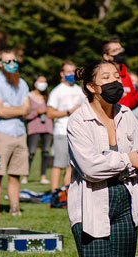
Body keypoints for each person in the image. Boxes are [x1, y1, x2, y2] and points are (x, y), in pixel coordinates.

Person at [68, 59, 138, 257]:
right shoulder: (78, 121)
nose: (114, 81)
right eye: (106, 77)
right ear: (91, 87)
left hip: (125, 198)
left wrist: (116, 161)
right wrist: (126, 160)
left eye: (117, 76)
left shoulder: (127, 114)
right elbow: (91, 169)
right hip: (91, 202)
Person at [0, 48, 31, 218]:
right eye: (8, 61)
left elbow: (27, 109)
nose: (12, 64)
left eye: (14, 61)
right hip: (2, 132)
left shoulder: (22, 83)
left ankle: (15, 208)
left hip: (20, 132)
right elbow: (0, 111)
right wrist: (18, 109)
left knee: (16, 174)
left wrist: (10, 108)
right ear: (0, 64)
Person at [47, 61, 84, 191]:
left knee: (71, 165)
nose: (71, 74)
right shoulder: (57, 91)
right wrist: (68, 112)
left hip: (77, 132)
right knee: (59, 164)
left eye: (73, 71)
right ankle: (54, 193)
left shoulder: (79, 90)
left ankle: (66, 193)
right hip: (62, 131)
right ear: (62, 74)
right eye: (68, 72)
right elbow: (50, 113)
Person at [101, 37, 138, 111]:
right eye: (115, 50)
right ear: (106, 56)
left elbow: (129, 106)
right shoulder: (102, 77)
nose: (119, 52)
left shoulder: (127, 76)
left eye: (120, 49)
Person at [24, 75, 52, 185]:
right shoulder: (28, 96)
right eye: (41, 82)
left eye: (45, 82)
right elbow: (25, 114)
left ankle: (43, 176)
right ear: (35, 83)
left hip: (47, 127)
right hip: (34, 127)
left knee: (45, 153)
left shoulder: (48, 96)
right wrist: (36, 112)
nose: (43, 84)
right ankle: (25, 176)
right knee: (31, 152)